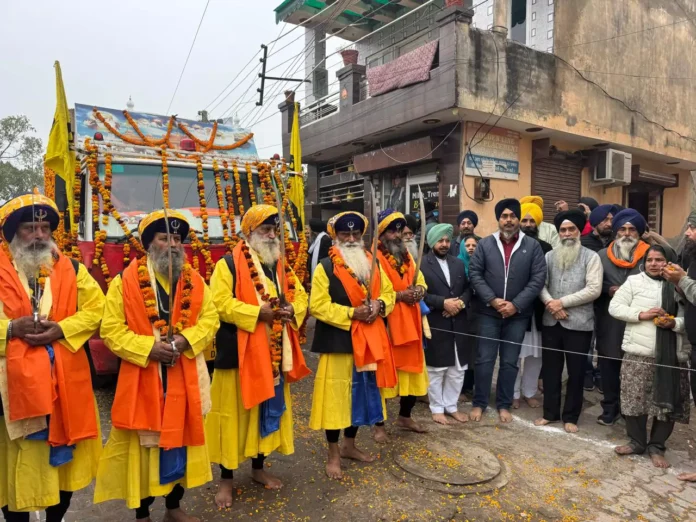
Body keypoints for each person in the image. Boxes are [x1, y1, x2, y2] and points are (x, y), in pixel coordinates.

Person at [95, 210, 220, 522]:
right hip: (144, 379)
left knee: (182, 444)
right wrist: (149, 347)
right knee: (144, 453)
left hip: (186, 373)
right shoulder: (124, 283)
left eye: (178, 239)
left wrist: (185, 341)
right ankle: (142, 514)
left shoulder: (196, 281)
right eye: (166, 238)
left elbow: (211, 319)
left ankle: (174, 508)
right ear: (149, 244)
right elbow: (111, 331)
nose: (174, 245)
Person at [0, 194, 104, 522]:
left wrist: (61, 330)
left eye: (45, 228)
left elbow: (98, 309)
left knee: (63, 470)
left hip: (65, 387)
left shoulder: (70, 267)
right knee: (15, 470)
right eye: (31, 228)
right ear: (14, 234)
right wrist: (10, 329)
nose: (41, 235)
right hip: (13, 391)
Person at [205, 204, 310, 508]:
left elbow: (300, 294)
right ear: (248, 232)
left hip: (274, 353)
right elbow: (219, 303)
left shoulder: (279, 264)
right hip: (237, 355)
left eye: (275, 230)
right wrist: (256, 313)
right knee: (232, 416)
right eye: (265, 229)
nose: (271, 235)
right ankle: (225, 480)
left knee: (266, 412)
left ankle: (257, 469)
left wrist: (293, 310)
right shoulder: (227, 264)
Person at [308, 211, 397, 480]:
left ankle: (349, 445)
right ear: (335, 237)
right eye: (345, 234)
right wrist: (351, 314)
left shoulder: (374, 264)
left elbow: (389, 293)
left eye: (355, 234)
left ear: (361, 237)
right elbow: (317, 306)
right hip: (338, 343)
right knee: (336, 403)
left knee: (360, 398)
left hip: (369, 342)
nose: (350, 238)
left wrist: (379, 305)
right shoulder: (325, 266)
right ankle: (333, 454)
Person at [609, 245, 690, 468]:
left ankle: (657, 446)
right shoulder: (635, 281)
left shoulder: (681, 285)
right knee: (635, 400)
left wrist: (674, 323)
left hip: (672, 355)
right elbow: (615, 307)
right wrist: (641, 315)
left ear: (670, 262)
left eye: (659, 259)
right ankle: (636, 442)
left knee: (666, 404)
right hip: (639, 352)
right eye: (650, 259)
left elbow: (689, 318)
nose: (653, 263)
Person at [469, 198, 547, 423]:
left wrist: (516, 304)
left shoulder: (532, 246)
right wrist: (492, 300)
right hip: (488, 313)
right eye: (504, 216)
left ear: (518, 219)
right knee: (484, 360)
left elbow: (537, 278)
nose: (509, 220)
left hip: (517, 315)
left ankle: (504, 404)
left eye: (513, 216)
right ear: (498, 219)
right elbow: (475, 274)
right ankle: (479, 403)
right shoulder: (484, 244)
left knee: (510, 361)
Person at [535, 210, 603, 433]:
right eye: (563, 230)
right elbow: (540, 285)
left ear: (579, 231)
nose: (567, 234)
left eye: (571, 229)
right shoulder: (548, 257)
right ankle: (550, 414)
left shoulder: (591, 257)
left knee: (576, 373)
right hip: (552, 322)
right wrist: (552, 305)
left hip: (579, 325)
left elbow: (593, 289)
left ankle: (571, 417)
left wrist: (561, 302)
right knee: (551, 371)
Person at [595, 209, 651, 426]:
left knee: (634, 368)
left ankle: (631, 410)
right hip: (609, 320)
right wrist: (610, 290)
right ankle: (610, 408)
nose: (627, 233)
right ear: (616, 232)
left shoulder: (649, 255)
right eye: (622, 229)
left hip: (639, 321)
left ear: (639, 232)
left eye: (632, 229)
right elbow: (593, 286)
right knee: (608, 365)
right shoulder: (601, 256)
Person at [375, 209, 429, 435]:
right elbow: (374, 291)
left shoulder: (408, 257)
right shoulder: (373, 258)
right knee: (385, 375)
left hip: (412, 323)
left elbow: (422, 282)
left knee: (412, 375)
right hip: (387, 326)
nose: (397, 235)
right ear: (381, 234)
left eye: (399, 230)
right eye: (391, 231)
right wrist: (399, 296)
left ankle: (405, 417)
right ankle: (378, 425)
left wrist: (419, 290)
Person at [421, 224, 471, 424]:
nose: (444, 244)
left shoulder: (458, 263)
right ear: (432, 242)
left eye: (447, 241)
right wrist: (442, 303)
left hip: (458, 322)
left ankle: (451, 406)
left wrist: (460, 303)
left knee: (457, 370)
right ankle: (436, 408)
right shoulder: (422, 264)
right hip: (436, 321)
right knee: (436, 370)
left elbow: (468, 289)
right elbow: (420, 294)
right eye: (440, 241)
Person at [514, 202, 553, 409]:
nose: (528, 225)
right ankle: (512, 393)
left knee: (535, 355)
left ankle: (529, 392)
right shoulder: (510, 244)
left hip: (538, 311)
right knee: (514, 353)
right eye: (524, 220)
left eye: (532, 221)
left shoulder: (546, 247)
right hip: (514, 308)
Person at [458, 235, 479, 399]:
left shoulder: (483, 265)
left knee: (474, 353)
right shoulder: (456, 264)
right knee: (461, 351)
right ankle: (461, 388)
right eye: (467, 245)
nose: (471, 248)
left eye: (474, 245)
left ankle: (470, 387)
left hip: (478, 315)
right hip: (461, 314)